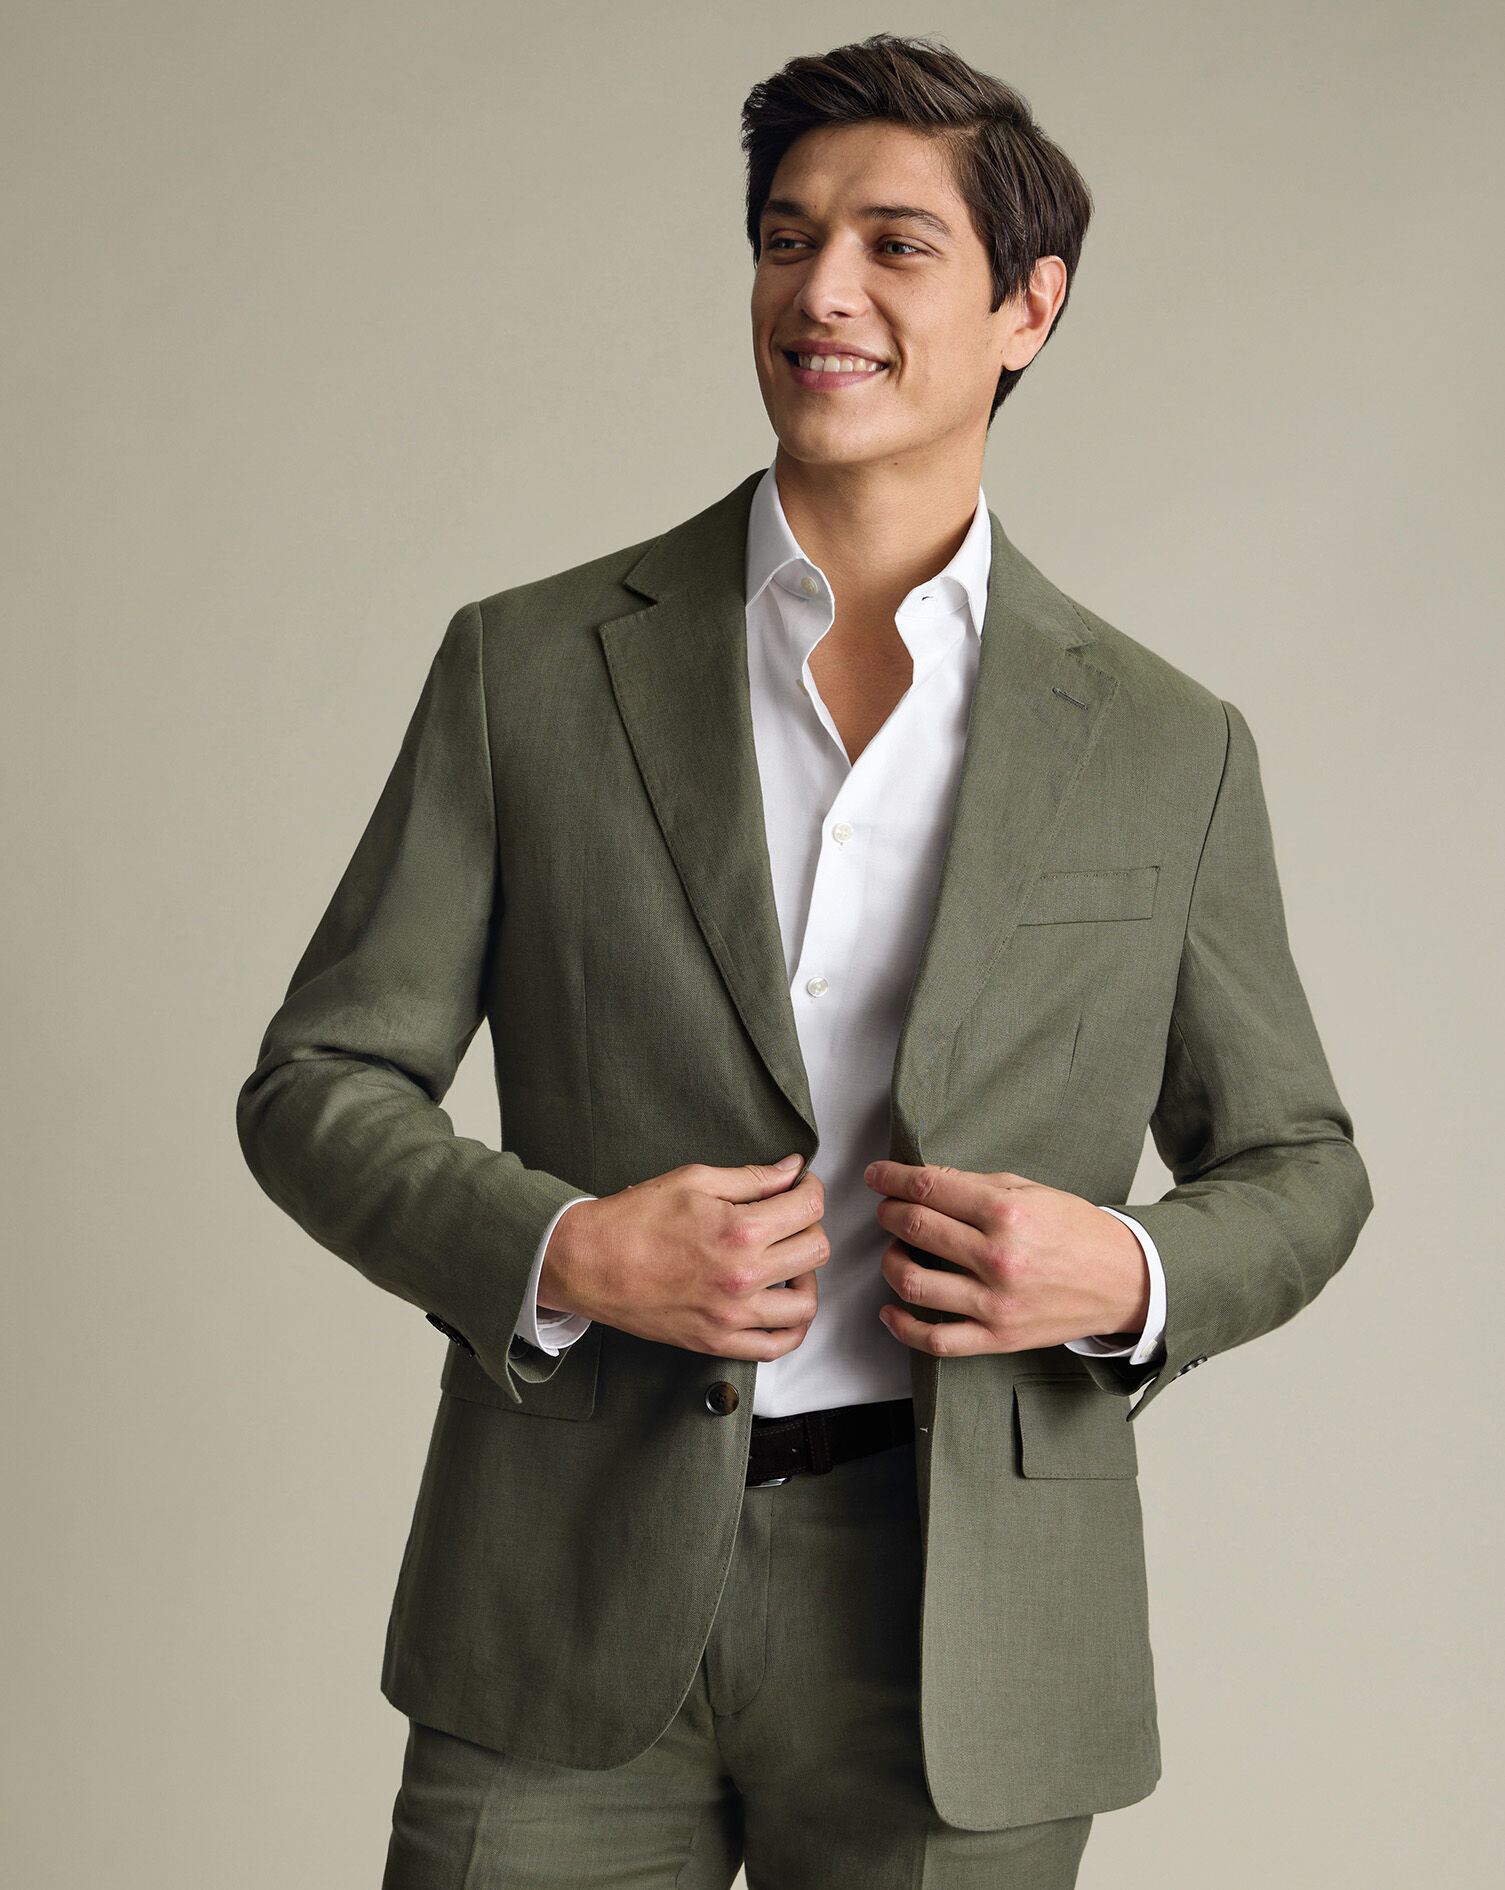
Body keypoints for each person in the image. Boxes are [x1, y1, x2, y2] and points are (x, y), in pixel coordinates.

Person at [236, 32, 1372, 1890]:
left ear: (1026, 307)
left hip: (967, 1625)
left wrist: (1129, 1269)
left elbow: (1301, 1164)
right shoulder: (529, 668)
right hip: (562, 1584)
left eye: (893, 245)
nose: (819, 289)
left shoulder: (1169, 744)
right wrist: (563, 1247)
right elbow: (316, 1082)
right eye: (785, 238)